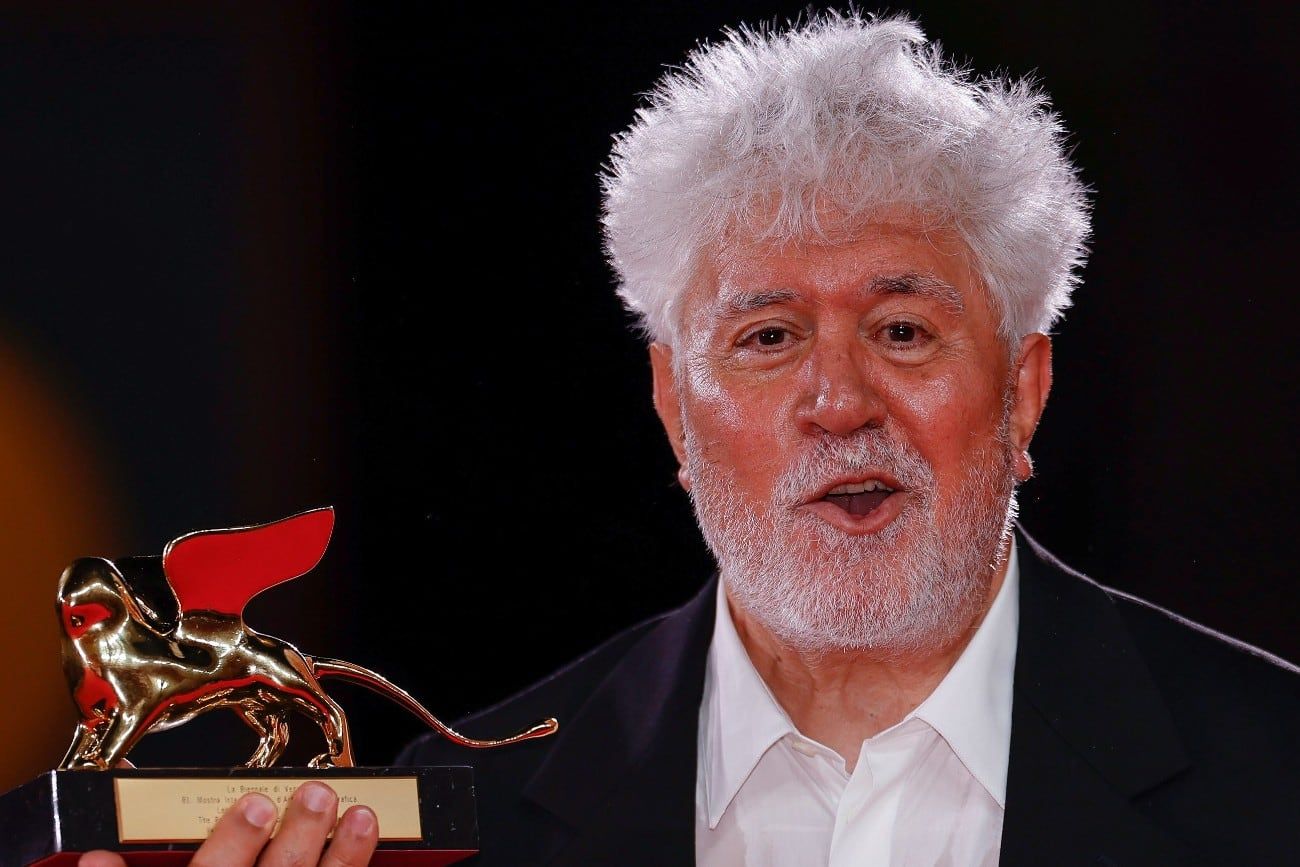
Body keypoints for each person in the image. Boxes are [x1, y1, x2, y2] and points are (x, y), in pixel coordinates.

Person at [82, 11, 1299, 866]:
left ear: (1022, 392)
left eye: (902, 331)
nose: (839, 401)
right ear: (673, 406)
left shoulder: (1274, 776)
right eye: (768, 337)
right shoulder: (464, 820)